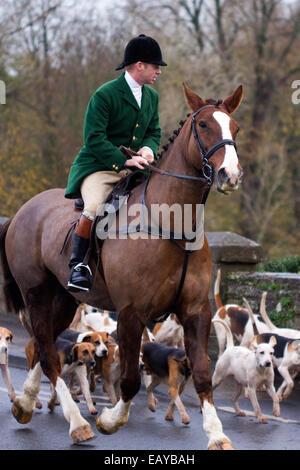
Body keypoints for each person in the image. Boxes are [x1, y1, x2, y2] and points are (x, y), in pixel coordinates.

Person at [64, 34, 167, 292]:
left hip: (135, 168)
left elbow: (153, 131)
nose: (159, 71)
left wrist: (148, 149)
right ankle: (78, 265)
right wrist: (125, 159)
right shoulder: (105, 94)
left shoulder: (151, 97)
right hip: (99, 166)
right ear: (139, 65)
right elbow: (94, 138)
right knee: (96, 205)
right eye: (156, 66)